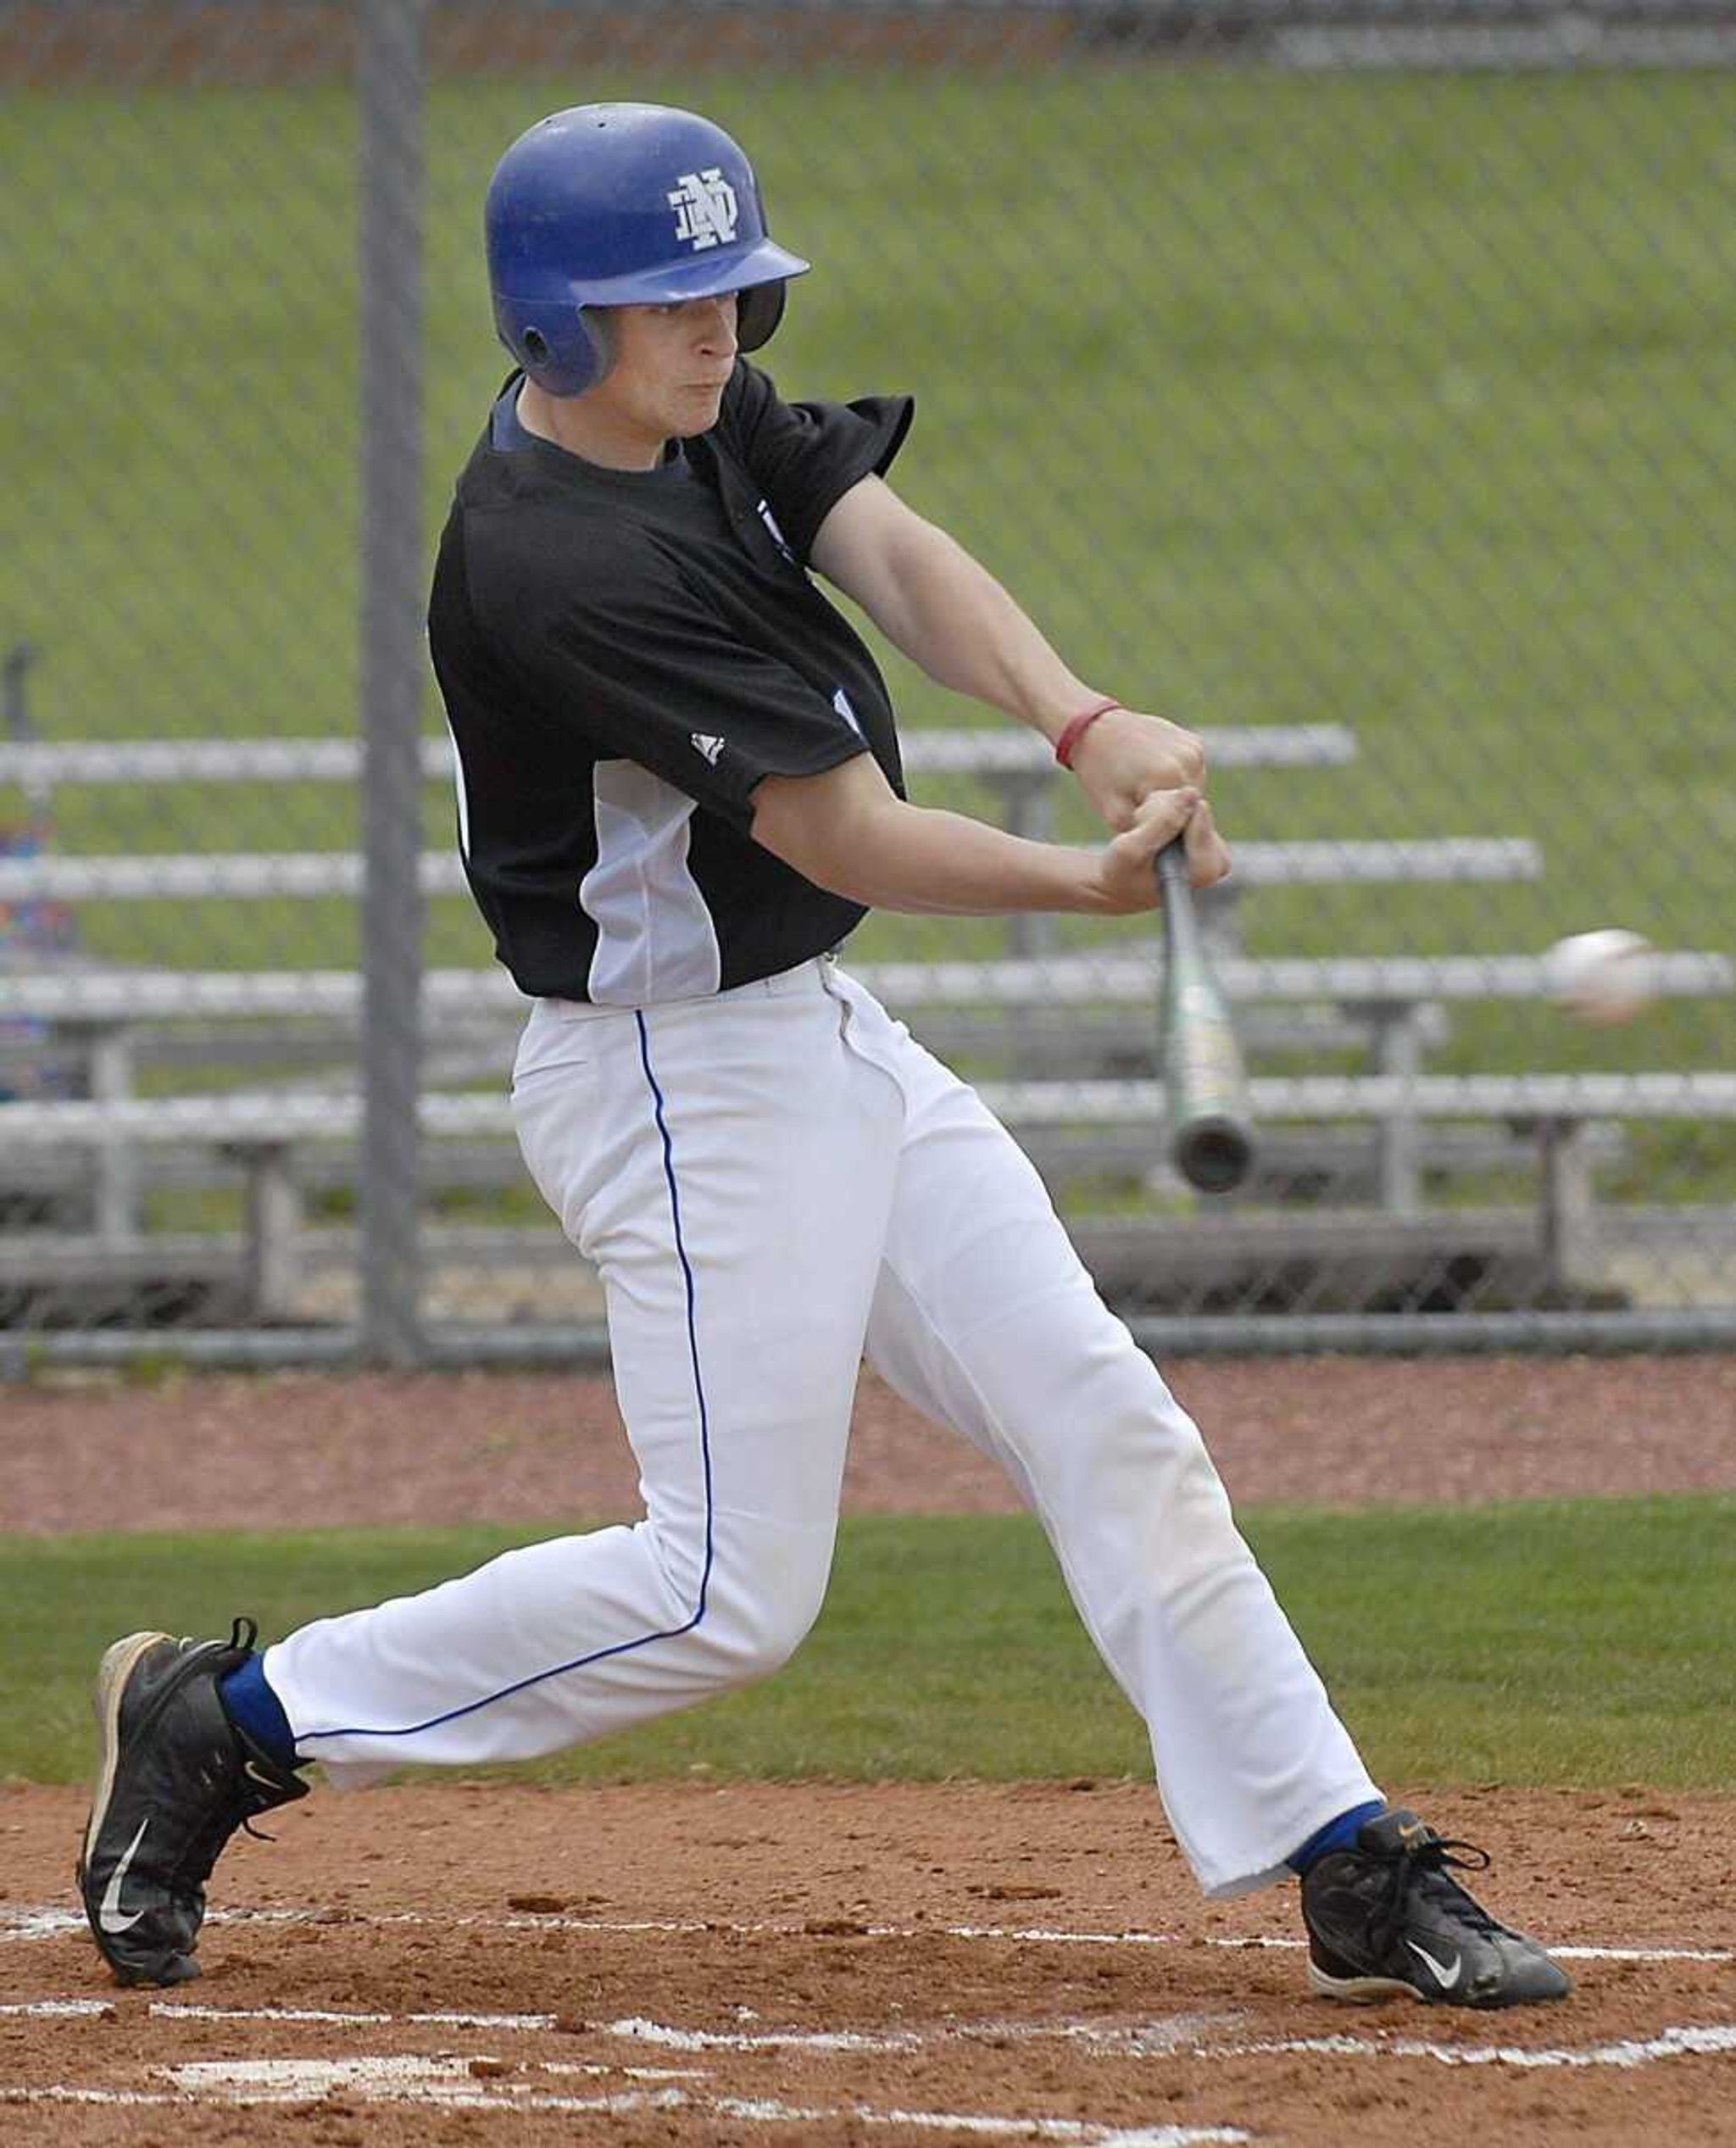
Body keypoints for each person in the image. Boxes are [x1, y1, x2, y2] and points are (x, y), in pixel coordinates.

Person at [77, 103, 1570, 2012]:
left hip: (816, 1041)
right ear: (555, 332)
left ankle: (1343, 1852)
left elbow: (897, 552)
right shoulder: (554, 553)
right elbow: (837, 833)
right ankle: (235, 1721)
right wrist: (1087, 884)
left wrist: (1080, 719)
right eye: (671, 305)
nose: (721, 333)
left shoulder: (695, 422)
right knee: (722, 1595)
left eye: (731, 293)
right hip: (673, 1087)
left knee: (1110, 1422)